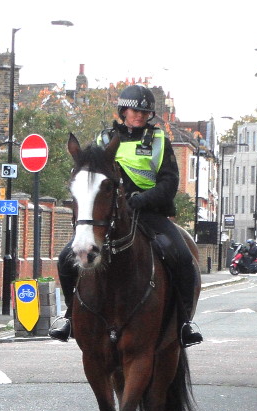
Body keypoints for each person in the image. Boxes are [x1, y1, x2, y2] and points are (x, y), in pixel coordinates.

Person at [48, 84, 203, 347]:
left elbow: (169, 182)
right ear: (123, 111)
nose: (139, 116)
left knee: (182, 256)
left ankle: (184, 322)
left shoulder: (159, 140)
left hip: (149, 212)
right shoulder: (103, 140)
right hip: (110, 214)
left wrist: (142, 199)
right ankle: (70, 316)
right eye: (134, 111)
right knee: (65, 258)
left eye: (144, 112)